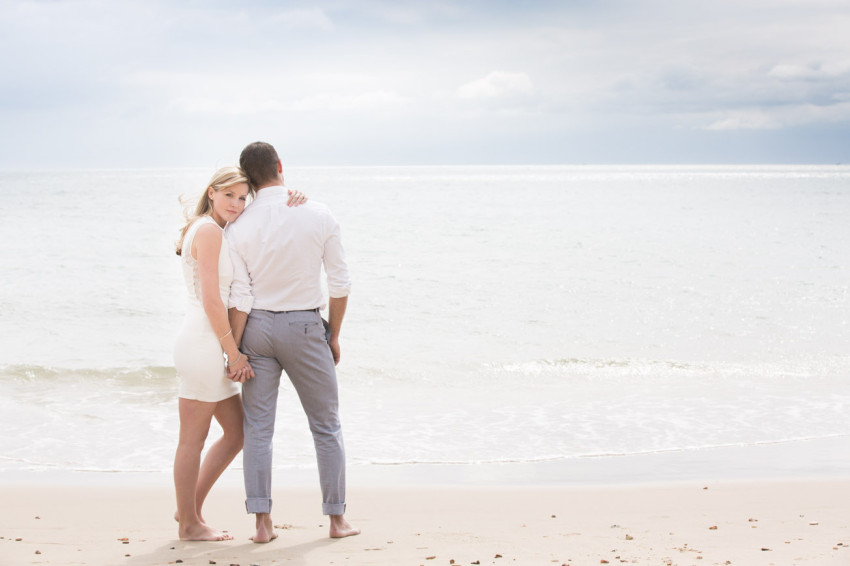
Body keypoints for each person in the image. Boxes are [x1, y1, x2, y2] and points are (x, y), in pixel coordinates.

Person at [227, 141, 360, 543]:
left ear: (248, 180)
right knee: (326, 426)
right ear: (281, 166)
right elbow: (340, 282)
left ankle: (262, 523)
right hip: (305, 327)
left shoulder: (239, 224)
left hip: (256, 329)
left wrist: (233, 350)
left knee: (259, 430)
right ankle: (336, 521)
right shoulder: (318, 213)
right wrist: (333, 333)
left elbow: (239, 294)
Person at [172, 166, 304, 541]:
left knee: (237, 433)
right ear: (211, 193)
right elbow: (213, 299)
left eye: (243, 197)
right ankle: (189, 524)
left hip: (203, 341)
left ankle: (187, 510)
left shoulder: (209, 228)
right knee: (192, 441)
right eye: (229, 194)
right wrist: (234, 354)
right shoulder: (211, 232)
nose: (237, 203)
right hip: (205, 345)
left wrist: (293, 200)